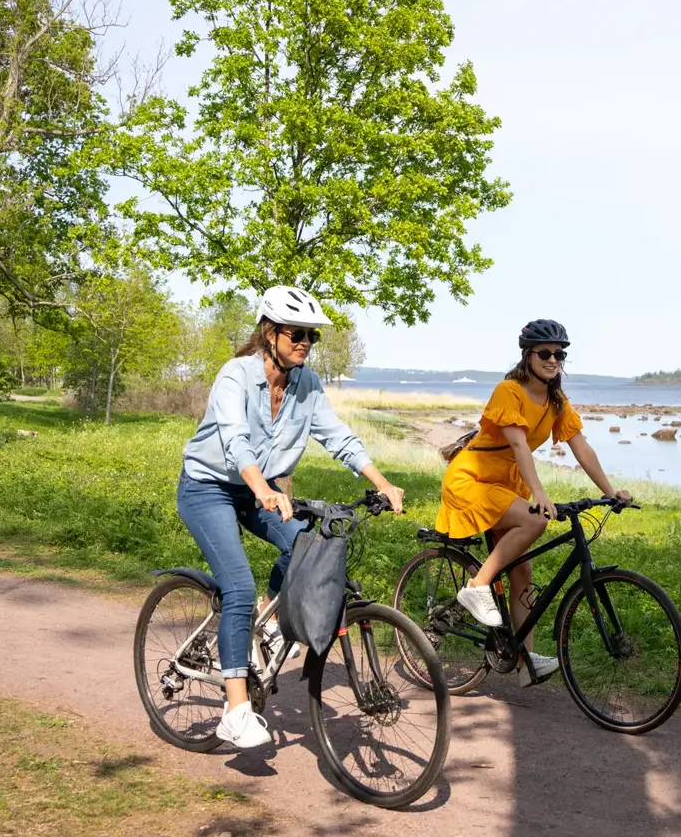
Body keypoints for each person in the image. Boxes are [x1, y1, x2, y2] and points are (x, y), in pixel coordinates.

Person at [178, 285, 406, 749]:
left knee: (307, 544)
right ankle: (235, 712)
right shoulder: (235, 376)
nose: (305, 342)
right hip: (208, 488)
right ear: (270, 333)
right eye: (296, 334)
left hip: (259, 489)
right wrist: (263, 488)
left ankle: (266, 618)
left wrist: (382, 482)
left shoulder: (307, 384)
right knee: (237, 586)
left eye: (311, 336)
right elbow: (234, 440)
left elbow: (337, 436)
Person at [437, 319, 630, 683]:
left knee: (522, 571)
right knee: (535, 519)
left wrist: (609, 491)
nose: (553, 359)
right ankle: (477, 586)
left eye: (560, 354)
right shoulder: (508, 391)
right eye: (545, 353)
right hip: (472, 480)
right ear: (528, 356)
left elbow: (581, 447)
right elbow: (518, 444)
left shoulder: (556, 401)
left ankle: (524, 661)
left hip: (506, 486)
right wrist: (539, 493)